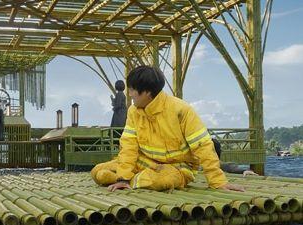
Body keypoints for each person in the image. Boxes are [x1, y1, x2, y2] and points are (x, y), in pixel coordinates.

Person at [91, 65, 244, 192]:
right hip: (144, 162)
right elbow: (128, 146)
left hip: (177, 168)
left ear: (147, 92)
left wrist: (218, 181)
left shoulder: (181, 110)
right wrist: (123, 177)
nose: (129, 94)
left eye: (132, 90)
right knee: (97, 171)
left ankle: (131, 180)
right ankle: (129, 180)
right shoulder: (133, 111)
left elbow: (203, 146)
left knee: (165, 181)